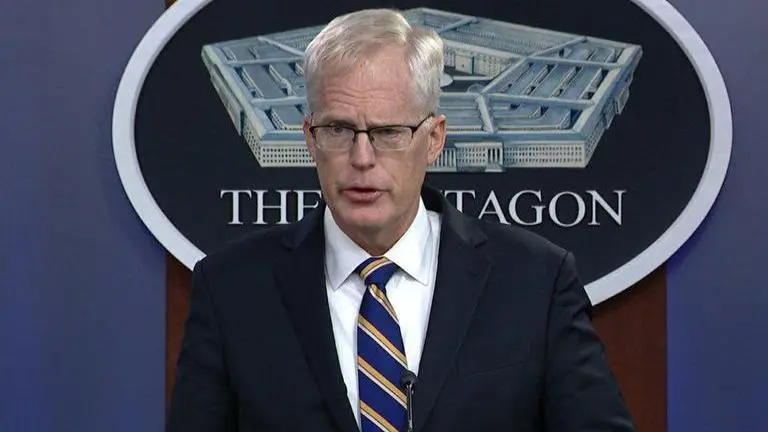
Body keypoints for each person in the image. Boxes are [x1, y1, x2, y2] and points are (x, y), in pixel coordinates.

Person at [168, 8, 635, 432]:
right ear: (310, 137)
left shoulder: (535, 281)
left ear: (433, 139)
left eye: (389, 131)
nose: (362, 157)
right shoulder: (232, 289)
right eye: (338, 130)